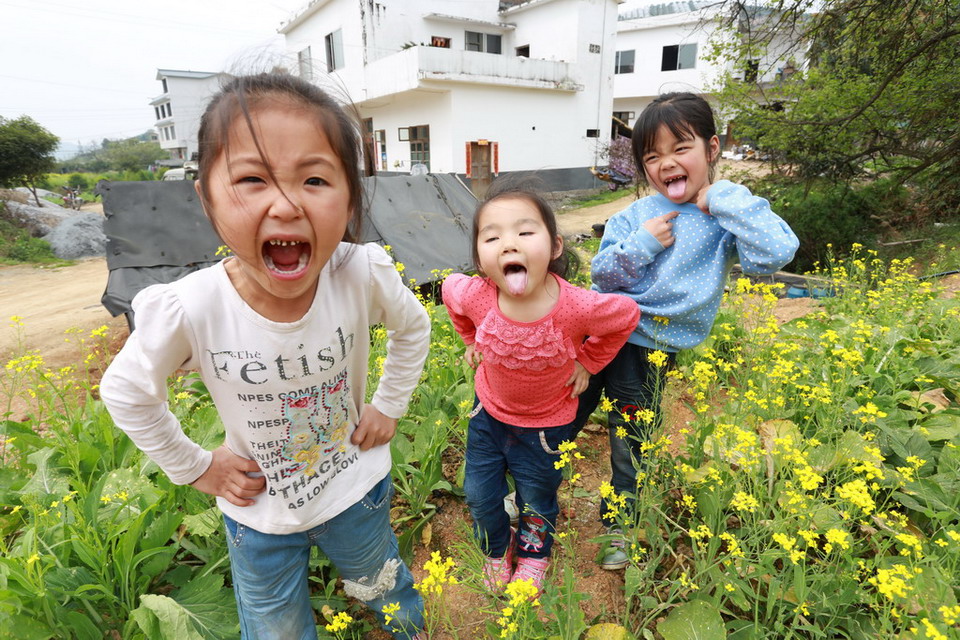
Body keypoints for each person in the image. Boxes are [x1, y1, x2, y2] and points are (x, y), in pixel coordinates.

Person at [99, 72, 430, 640]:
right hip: (258, 513)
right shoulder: (192, 307)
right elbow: (126, 392)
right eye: (252, 179)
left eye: (315, 179)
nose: (285, 205)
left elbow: (413, 328)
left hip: (355, 487)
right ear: (206, 198)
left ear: (350, 193)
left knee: (382, 583)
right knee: (274, 625)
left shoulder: (359, 273)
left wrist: (388, 404)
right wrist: (195, 466)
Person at [575, 92, 799, 570]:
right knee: (562, 414)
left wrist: (724, 198)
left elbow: (775, 253)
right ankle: (527, 495)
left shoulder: (725, 216)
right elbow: (601, 276)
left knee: (631, 437)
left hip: (650, 349)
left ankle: (620, 521)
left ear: (711, 149)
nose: (667, 163)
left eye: (680, 148)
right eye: (652, 156)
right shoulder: (634, 217)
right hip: (598, 333)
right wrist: (642, 245)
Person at [442, 182, 639, 594]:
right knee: (478, 496)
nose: (508, 244)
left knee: (536, 499)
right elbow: (450, 294)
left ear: (554, 247)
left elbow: (625, 316)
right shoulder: (477, 294)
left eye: (525, 232)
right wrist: (470, 341)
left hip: (546, 428)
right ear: (480, 257)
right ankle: (498, 550)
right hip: (489, 416)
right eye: (492, 237)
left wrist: (588, 361)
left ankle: (534, 556)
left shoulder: (577, 306)